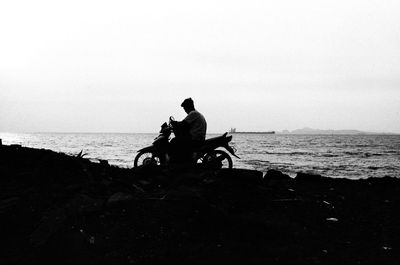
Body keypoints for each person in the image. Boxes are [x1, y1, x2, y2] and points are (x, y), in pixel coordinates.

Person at [169, 98, 207, 162]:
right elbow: (185, 126)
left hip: (195, 139)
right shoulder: (197, 114)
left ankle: (177, 162)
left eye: (185, 108)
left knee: (174, 141)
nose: (185, 110)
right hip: (198, 138)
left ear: (188, 106)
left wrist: (174, 123)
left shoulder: (193, 113)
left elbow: (183, 124)